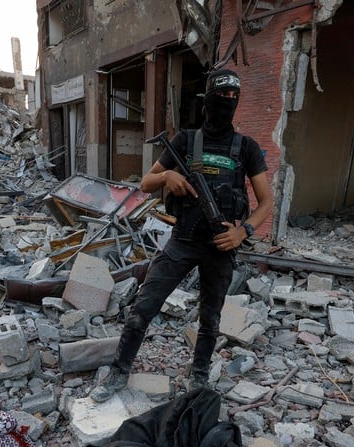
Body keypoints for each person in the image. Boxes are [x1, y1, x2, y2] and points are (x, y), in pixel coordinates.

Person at [89, 69, 274, 403]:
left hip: (220, 246)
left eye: (234, 98)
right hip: (182, 241)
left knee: (210, 318)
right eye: (222, 97)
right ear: (207, 100)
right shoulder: (186, 141)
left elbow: (267, 202)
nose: (228, 103)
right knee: (143, 308)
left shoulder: (246, 147)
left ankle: (199, 377)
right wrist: (168, 176)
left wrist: (242, 231)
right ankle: (118, 373)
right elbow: (146, 183)